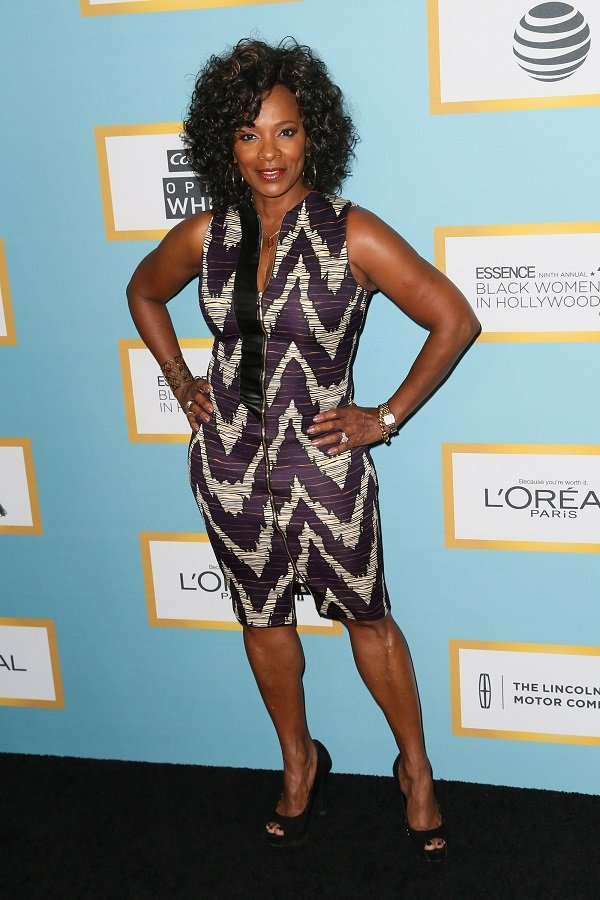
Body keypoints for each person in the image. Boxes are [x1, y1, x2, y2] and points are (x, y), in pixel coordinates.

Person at [127, 38, 480, 859]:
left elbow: (453, 318)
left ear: (312, 135)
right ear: (227, 143)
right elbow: (143, 291)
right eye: (249, 135)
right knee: (263, 617)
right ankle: (298, 763)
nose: (268, 153)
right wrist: (183, 385)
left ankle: (417, 769)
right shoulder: (207, 234)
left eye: (284, 132)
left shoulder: (351, 232)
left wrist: (383, 416)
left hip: (324, 465)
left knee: (368, 617)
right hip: (229, 466)